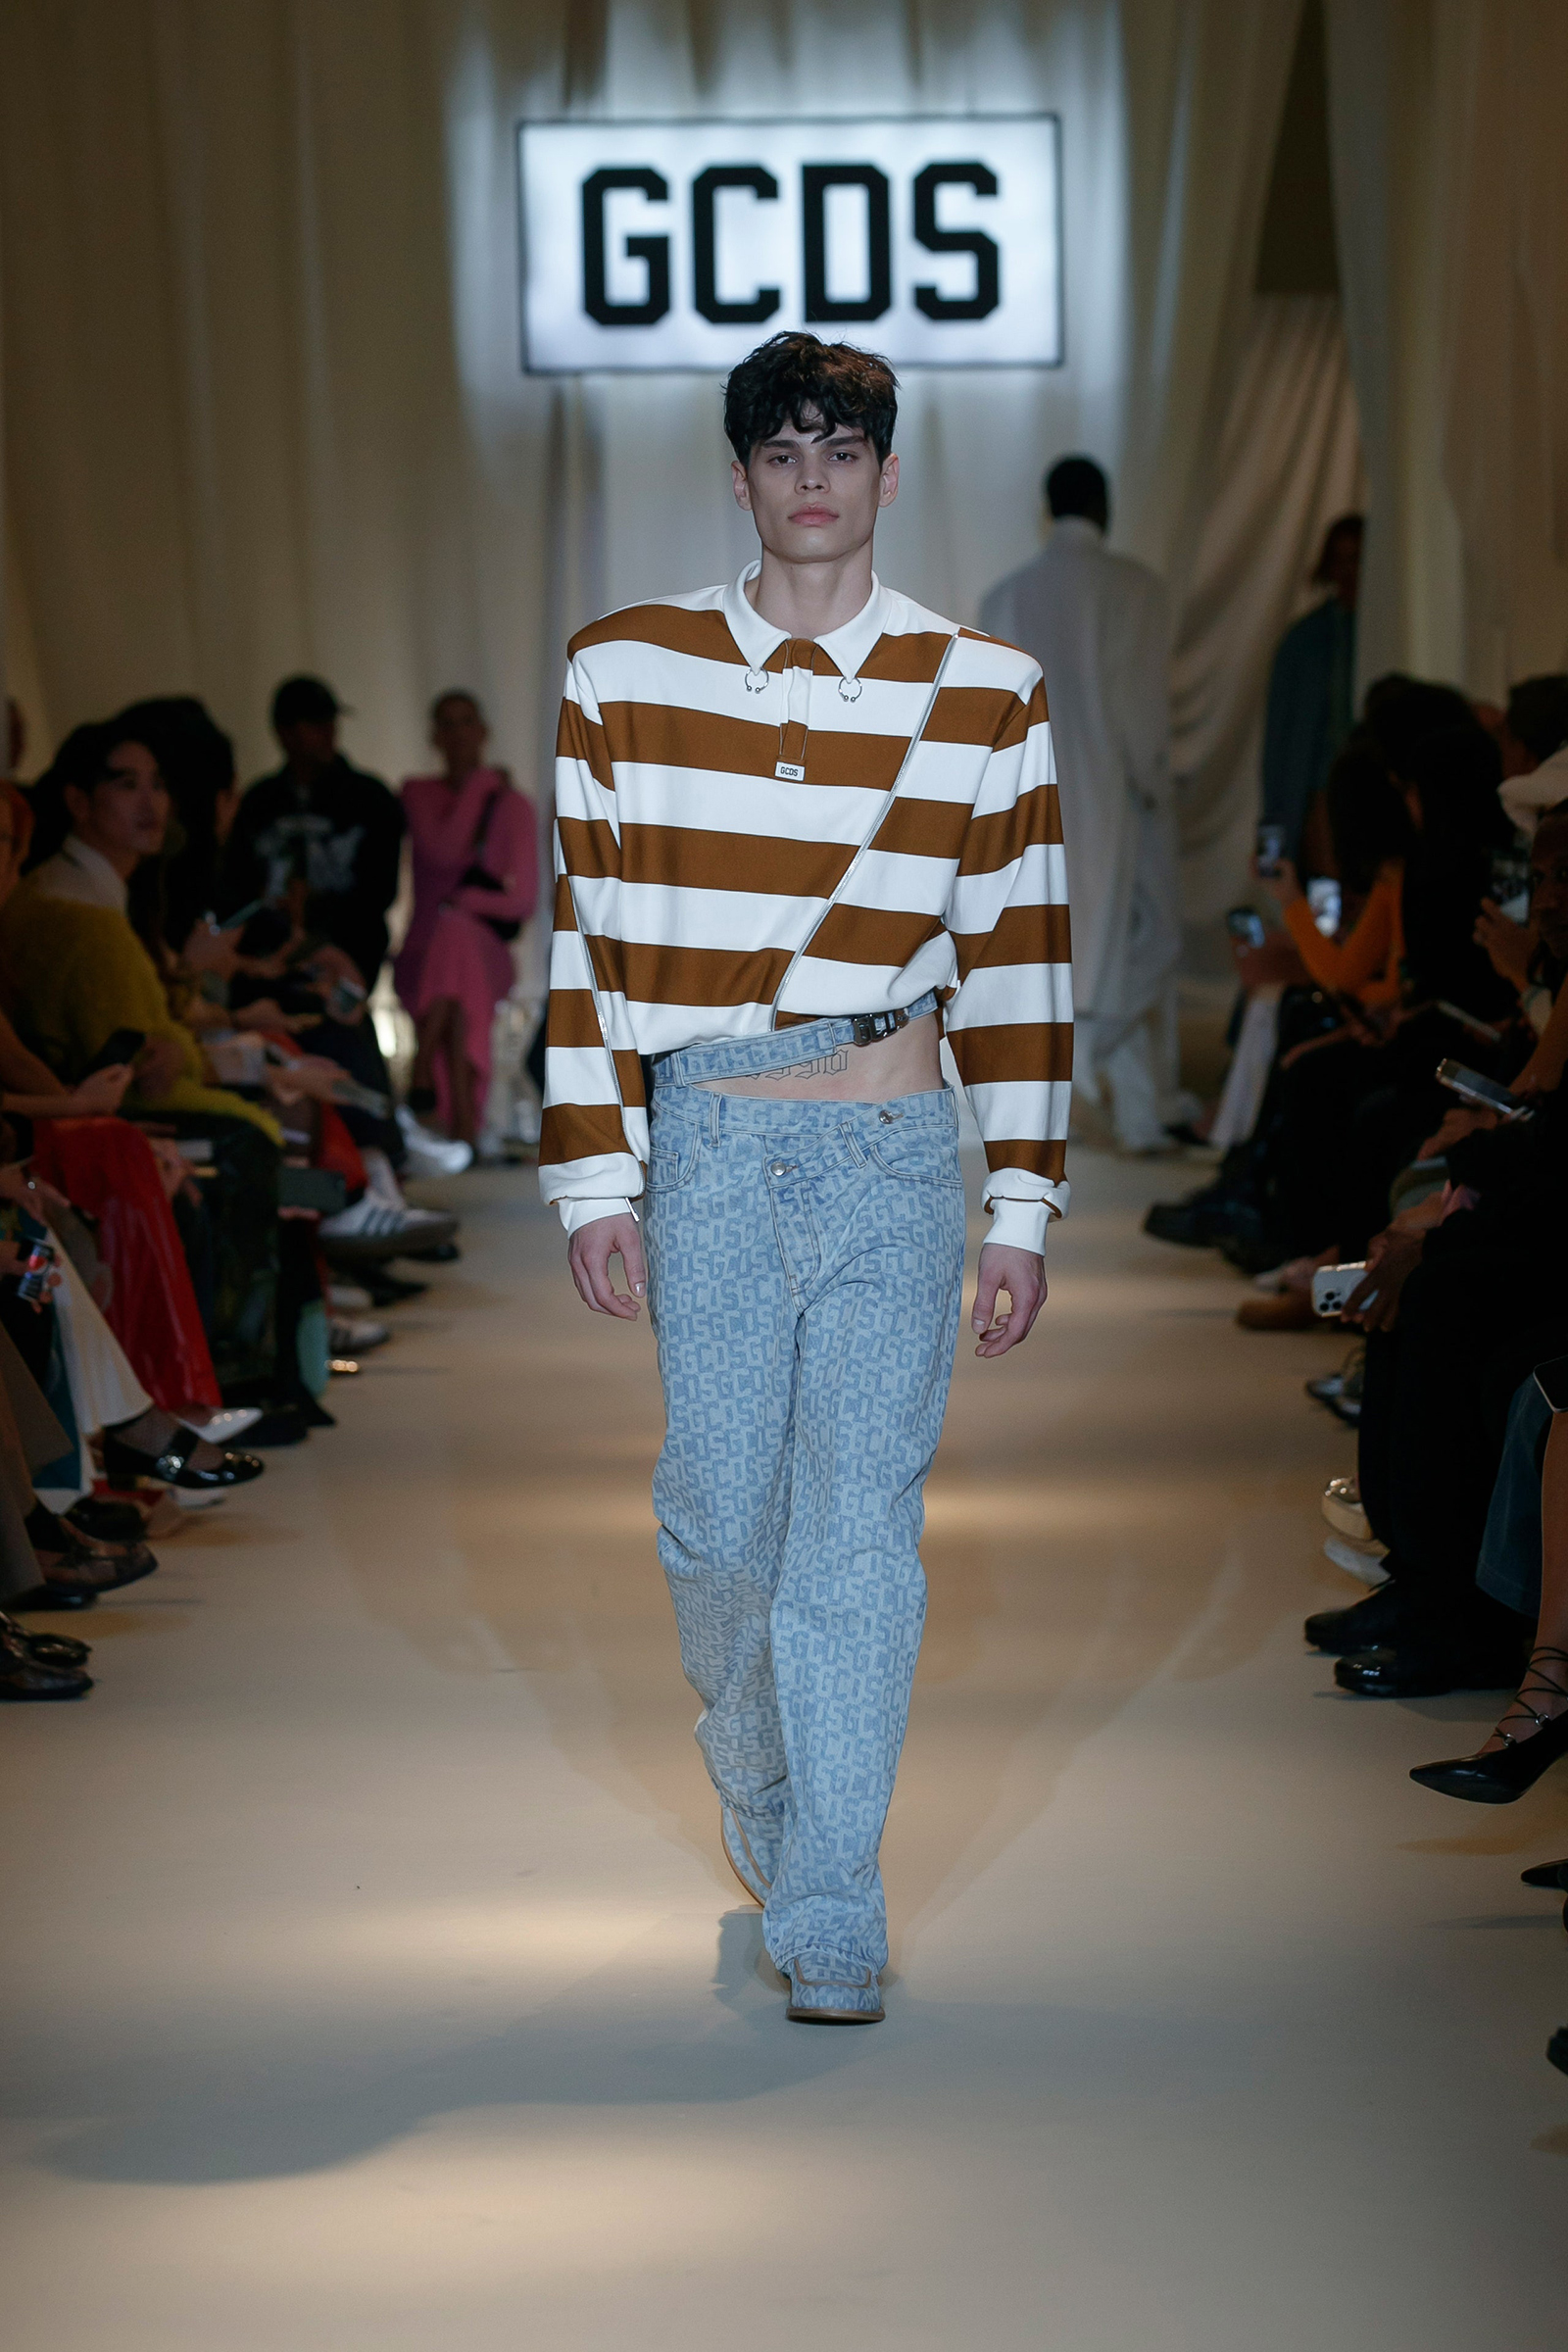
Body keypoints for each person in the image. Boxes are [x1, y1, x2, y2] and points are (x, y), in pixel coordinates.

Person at [541, 331, 1070, 2027]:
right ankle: (765, 1779)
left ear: (888, 474)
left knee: (857, 1539)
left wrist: (1022, 1201)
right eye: (783, 450)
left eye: (843, 448)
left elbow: (1021, 951)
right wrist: (593, 1178)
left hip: (895, 1151)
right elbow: (585, 939)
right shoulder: (623, 671)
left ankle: (834, 1897)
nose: (814, 477)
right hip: (709, 1141)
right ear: (744, 477)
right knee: (716, 1521)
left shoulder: (984, 687)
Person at [980, 454, 1176, 1152]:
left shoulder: (1007, 595)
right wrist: (1157, 783)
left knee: (1072, 952)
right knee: (1145, 943)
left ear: (1047, 507)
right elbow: (1139, 704)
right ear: (1103, 505)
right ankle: (1093, 1071)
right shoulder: (1135, 589)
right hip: (1118, 796)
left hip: (1032, 799)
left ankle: (1133, 1112)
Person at [395, 692, 538, 1150]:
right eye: (448, 724)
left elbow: (524, 901)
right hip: (423, 954)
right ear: (435, 736)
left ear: (483, 731)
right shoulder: (418, 794)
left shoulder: (513, 805)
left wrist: (465, 903)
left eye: (466, 722)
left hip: (483, 950)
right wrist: (479, 788)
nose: (458, 734)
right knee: (454, 965)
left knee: (456, 937)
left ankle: (424, 1073)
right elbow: (442, 851)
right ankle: (462, 1129)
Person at [1259, 514, 1363, 866]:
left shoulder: (1387, 638)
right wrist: (1272, 841)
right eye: (1341, 560)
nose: (1349, 571)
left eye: (1356, 559)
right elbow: (1279, 744)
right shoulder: (1305, 641)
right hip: (1319, 793)